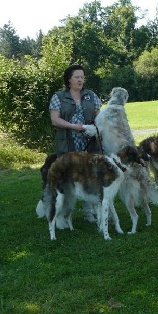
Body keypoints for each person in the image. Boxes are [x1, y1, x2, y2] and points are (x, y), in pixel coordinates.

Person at [49, 64, 102, 221]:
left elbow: (100, 117)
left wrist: (97, 130)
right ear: (68, 80)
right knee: (67, 179)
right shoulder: (58, 97)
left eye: (82, 77)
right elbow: (55, 119)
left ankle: (89, 213)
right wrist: (73, 126)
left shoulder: (91, 95)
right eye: (76, 77)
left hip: (89, 144)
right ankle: (63, 214)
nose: (80, 80)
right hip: (68, 144)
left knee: (91, 177)